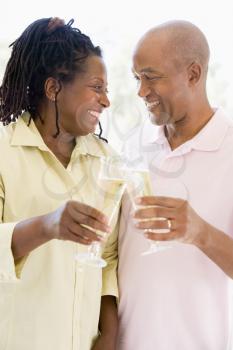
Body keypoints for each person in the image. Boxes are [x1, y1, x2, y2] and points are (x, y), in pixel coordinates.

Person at [0, 17, 120, 350]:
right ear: (53, 88)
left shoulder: (107, 160)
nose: (106, 101)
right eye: (97, 87)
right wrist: (49, 224)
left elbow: (109, 258)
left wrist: (109, 334)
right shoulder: (3, 152)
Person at [117, 20, 233, 350]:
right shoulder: (132, 148)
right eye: (136, 78)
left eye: (151, 77)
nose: (140, 91)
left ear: (193, 74)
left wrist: (200, 232)